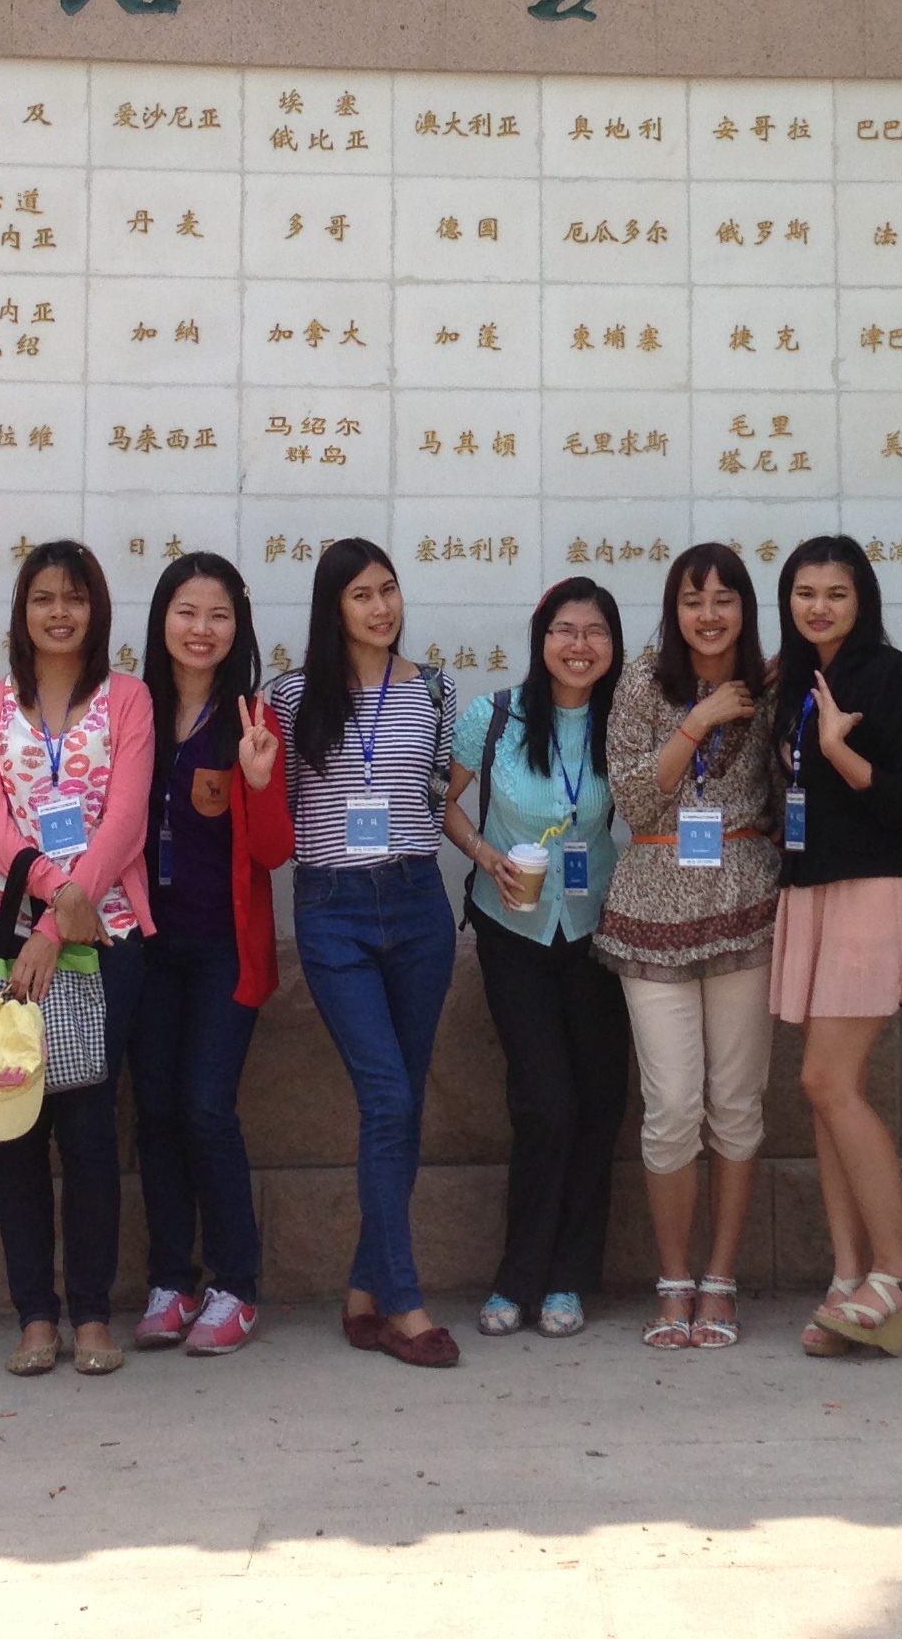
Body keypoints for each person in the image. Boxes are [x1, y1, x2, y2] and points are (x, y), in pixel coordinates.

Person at [0, 540, 153, 1378]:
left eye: (75, 598)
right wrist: (49, 894)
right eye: (44, 598)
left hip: (107, 934)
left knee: (90, 1128)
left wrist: (64, 917)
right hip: (7, 928)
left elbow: (128, 820)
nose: (60, 612)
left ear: (96, 610)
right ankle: (36, 1314)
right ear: (22, 610)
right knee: (14, 1127)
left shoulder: (129, 699)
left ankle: (94, 1314)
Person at [268, 538, 461, 1369]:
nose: (381, 608)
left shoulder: (436, 690)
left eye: (389, 590)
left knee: (403, 1104)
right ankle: (404, 1305)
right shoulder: (290, 696)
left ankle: (361, 1293)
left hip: (418, 902)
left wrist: (485, 854)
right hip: (333, 910)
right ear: (333, 608)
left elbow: (438, 794)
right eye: (361, 595)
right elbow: (274, 809)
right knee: (386, 1097)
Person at [599, 542, 780, 1350]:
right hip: (652, 909)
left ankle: (720, 1280)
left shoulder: (772, 689)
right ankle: (673, 1279)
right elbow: (636, 798)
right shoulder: (644, 681)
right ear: (673, 610)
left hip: (745, 909)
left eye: (723, 599)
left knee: (737, 1107)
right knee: (672, 1107)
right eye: (692, 600)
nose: (708, 615)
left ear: (745, 607)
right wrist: (700, 719)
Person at [767, 535, 902, 1359]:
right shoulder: (797, 681)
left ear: (862, 599)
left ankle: (898, 1273)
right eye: (805, 592)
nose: (819, 607)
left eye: (836, 593)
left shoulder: (893, 677)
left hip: (875, 889)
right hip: (813, 888)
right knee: (830, 1092)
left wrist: (838, 748)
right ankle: (848, 1278)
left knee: (826, 1079)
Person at [446, 578, 632, 1340]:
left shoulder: (626, 722)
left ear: (613, 645)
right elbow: (443, 802)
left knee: (599, 1102)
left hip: (599, 931)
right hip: (513, 931)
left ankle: (568, 1278)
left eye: (595, 632)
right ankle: (516, 1277)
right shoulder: (494, 718)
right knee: (545, 1104)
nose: (579, 646)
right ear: (541, 637)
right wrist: (483, 852)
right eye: (564, 630)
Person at [128, 552, 291, 1361]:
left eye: (219, 615)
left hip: (224, 948)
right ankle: (172, 1279)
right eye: (187, 612)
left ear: (239, 627)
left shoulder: (254, 718)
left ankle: (237, 1283)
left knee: (204, 1107)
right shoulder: (130, 711)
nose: (202, 629)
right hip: (144, 945)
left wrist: (258, 780)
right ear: (162, 619)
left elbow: (274, 854)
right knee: (154, 1110)